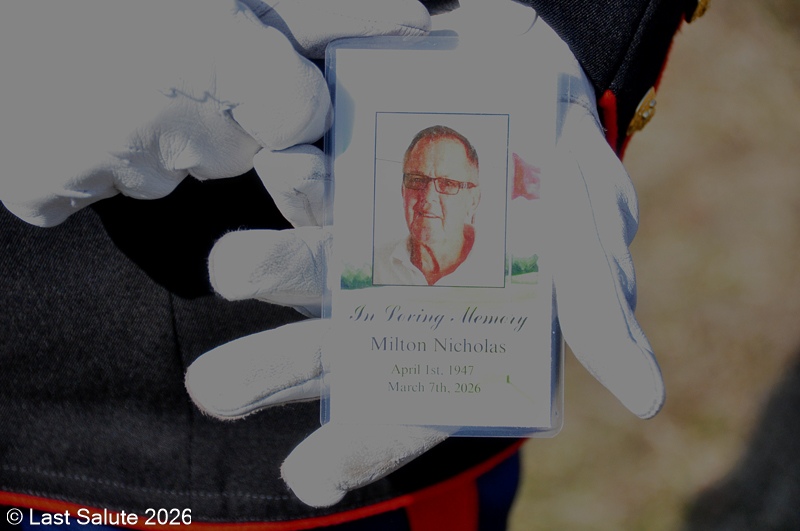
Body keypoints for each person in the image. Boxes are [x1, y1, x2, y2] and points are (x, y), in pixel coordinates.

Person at [0, 0, 696, 528]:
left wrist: (559, 26)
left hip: (356, 398)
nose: (429, 203)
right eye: (421, 186)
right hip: (38, 361)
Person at [374, 125, 484, 287]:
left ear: (473, 200)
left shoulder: (496, 267)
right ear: (403, 191)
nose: (428, 197)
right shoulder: (375, 265)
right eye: (417, 180)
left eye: (447, 183)